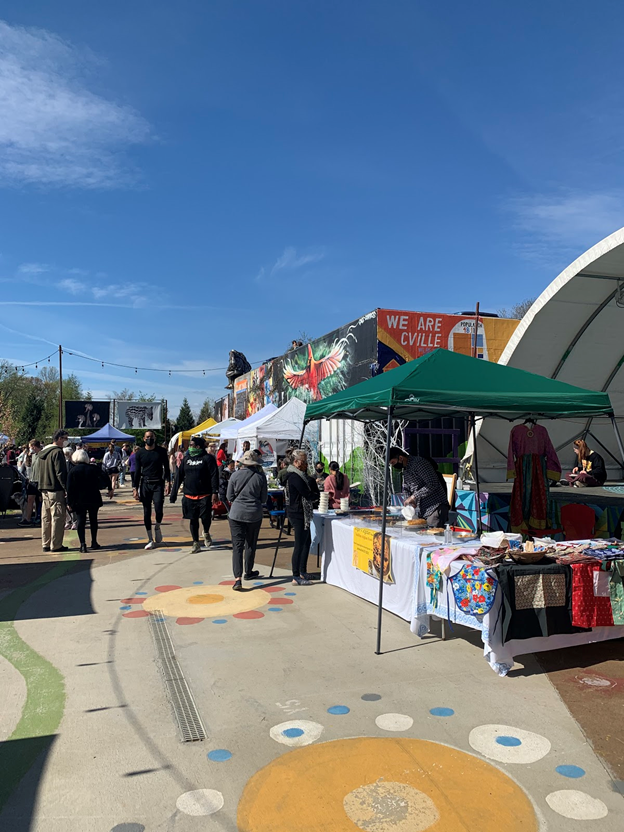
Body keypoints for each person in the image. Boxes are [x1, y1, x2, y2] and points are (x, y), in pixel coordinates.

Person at [170, 435, 219, 553]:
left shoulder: (208, 458)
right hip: (189, 495)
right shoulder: (186, 459)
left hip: (205, 494)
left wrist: (214, 492)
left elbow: (214, 476)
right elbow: (179, 476)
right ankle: (196, 542)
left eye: (191, 445)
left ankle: (206, 532)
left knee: (205, 518)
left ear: (198, 446)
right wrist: (173, 493)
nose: (189, 447)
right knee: (193, 519)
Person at [227, 450, 267, 591]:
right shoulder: (261, 477)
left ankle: (237, 578)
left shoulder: (235, 475)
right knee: (250, 544)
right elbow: (263, 499)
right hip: (254, 514)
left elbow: (229, 496)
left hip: (236, 513)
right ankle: (248, 572)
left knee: (237, 546)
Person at [388, 446, 449, 528]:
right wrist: (408, 500)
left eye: (393, 462)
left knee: (432, 536)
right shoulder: (406, 469)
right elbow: (406, 487)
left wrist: (414, 496)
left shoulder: (418, 463)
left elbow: (432, 483)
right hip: (422, 510)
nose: (393, 466)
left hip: (435, 507)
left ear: (401, 458)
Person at [67, 449, 113, 553]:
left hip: (79, 499)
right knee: (93, 520)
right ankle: (94, 542)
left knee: (81, 521)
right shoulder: (94, 468)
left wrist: (69, 502)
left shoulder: (73, 471)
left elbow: (69, 488)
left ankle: (82, 544)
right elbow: (105, 477)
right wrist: (110, 488)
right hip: (93, 497)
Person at [133, 430, 171, 549]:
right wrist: (135, 488)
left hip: (158, 483)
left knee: (159, 508)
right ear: (144, 439)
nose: (150, 439)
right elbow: (137, 472)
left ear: (155, 438)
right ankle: (150, 538)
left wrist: (168, 482)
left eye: (152, 437)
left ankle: (157, 526)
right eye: (148, 437)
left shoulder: (161, 451)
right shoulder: (139, 454)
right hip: (145, 484)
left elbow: (167, 468)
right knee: (146, 511)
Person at [286, 449, 318, 585]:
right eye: (304, 462)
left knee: (306, 542)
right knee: (299, 544)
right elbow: (307, 493)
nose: (306, 464)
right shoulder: (294, 476)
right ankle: (295, 575)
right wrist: (316, 495)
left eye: (306, 462)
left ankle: (302, 571)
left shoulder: (301, 475)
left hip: (303, 512)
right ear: (296, 462)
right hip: (298, 513)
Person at [38, 429, 70, 553]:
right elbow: (60, 473)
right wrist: (65, 488)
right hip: (55, 489)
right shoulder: (57, 452)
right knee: (57, 517)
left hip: (44, 488)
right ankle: (56, 544)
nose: (66, 441)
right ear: (60, 439)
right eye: (65, 439)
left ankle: (45, 543)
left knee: (45, 518)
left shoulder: (42, 453)